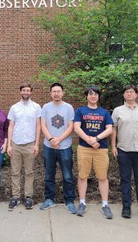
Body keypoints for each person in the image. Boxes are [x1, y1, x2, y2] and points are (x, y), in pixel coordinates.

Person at [111, 84, 138, 221]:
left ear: (136, 94)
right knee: (125, 179)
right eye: (126, 92)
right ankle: (126, 207)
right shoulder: (118, 111)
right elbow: (113, 130)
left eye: (131, 92)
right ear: (124, 95)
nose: (129, 94)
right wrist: (113, 146)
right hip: (124, 150)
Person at [74, 86, 114, 218]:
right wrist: (90, 141)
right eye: (90, 94)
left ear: (98, 97)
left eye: (95, 94)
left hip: (101, 149)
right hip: (84, 148)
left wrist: (96, 139)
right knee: (82, 176)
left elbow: (109, 129)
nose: (93, 96)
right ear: (87, 96)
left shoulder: (104, 112)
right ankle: (82, 203)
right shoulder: (80, 111)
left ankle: (105, 205)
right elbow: (77, 127)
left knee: (102, 177)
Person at [39, 83, 76, 214]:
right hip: (49, 146)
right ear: (50, 93)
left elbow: (71, 126)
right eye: (54, 91)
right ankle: (49, 199)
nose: (56, 93)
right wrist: (51, 139)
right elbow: (43, 125)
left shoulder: (68, 107)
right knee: (49, 175)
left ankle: (69, 200)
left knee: (67, 175)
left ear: (63, 93)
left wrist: (59, 139)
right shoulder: (46, 107)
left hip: (64, 146)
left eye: (58, 91)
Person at [7, 83, 41, 210]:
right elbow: (11, 126)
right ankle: (15, 197)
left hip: (30, 144)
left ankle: (28, 197)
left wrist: (37, 144)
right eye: (23, 90)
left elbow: (38, 126)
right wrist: (9, 145)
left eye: (28, 90)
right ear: (20, 92)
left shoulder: (36, 107)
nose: (26, 92)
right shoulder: (14, 107)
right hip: (15, 144)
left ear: (31, 92)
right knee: (15, 172)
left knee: (29, 172)